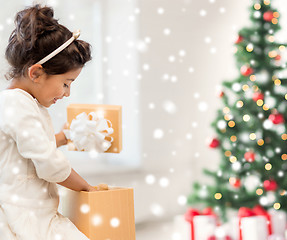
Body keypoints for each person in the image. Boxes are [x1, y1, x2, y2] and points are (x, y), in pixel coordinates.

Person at [0, 4, 98, 240]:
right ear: (36, 73)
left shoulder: (21, 103)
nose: (67, 93)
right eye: (66, 83)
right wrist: (88, 189)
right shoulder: (17, 105)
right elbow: (49, 164)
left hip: (32, 211)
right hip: (25, 217)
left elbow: (29, 152)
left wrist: (62, 138)